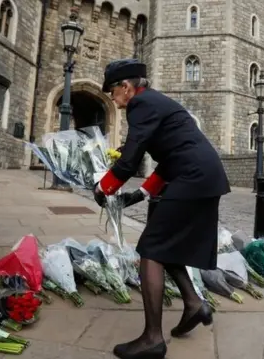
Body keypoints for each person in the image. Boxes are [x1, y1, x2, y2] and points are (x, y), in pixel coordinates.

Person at [92, 59, 231, 359]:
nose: (114, 101)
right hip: (201, 176)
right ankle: (194, 304)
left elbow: (130, 157)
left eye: (113, 93)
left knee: (152, 249)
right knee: (167, 245)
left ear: (126, 88)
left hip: (193, 178)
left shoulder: (140, 105)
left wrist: (103, 187)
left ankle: (153, 338)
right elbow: (169, 159)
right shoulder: (157, 102)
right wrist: (138, 195)